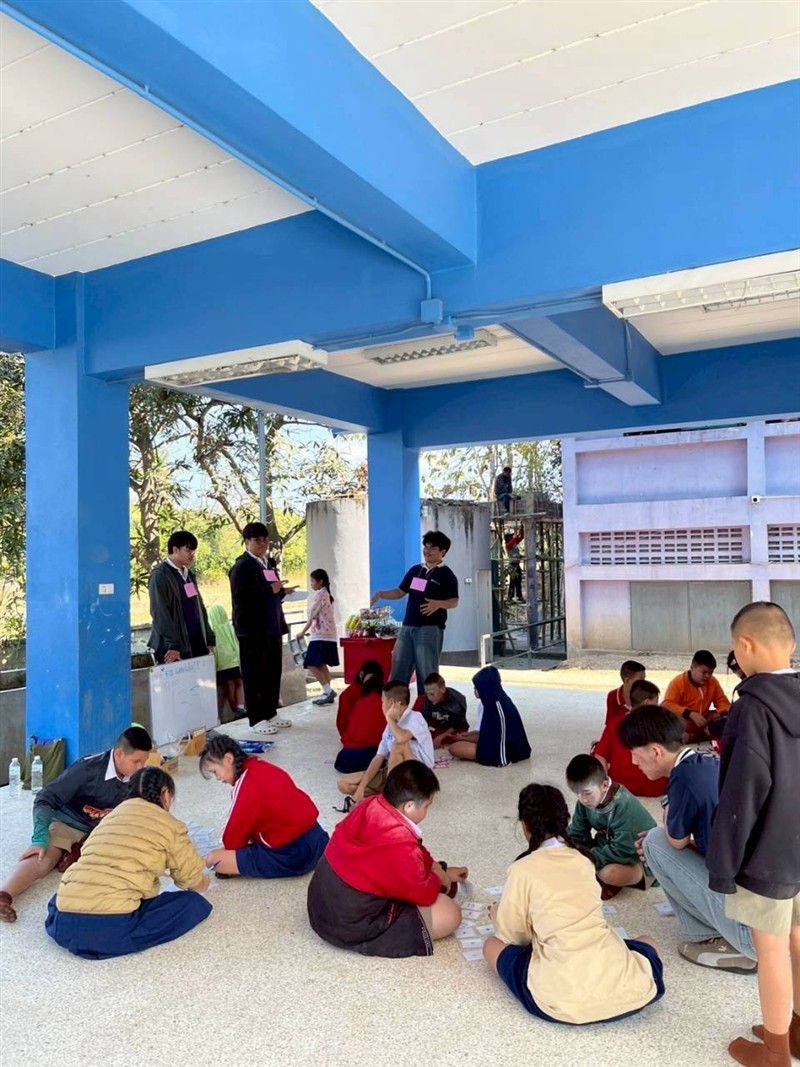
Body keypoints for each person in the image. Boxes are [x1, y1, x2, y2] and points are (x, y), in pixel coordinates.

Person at [482, 783, 665, 1025]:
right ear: (564, 820)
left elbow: (514, 936)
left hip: (563, 997)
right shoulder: (584, 859)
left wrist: (497, 913)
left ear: (525, 825)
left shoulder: (522, 869)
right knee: (647, 942)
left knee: (491, 946)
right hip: (626, 987)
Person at [705, 602, 800, 1067]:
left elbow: (742, 794)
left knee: (772, 949)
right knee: (799, 940)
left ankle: (775, 1052)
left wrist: (723, 864)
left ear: (745, 645)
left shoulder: (752, 709)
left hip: (768, 852)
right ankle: (796, 1030)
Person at [617, 705, 757, 974]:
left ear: (656, 751)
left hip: (750, 930)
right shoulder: (706, 760)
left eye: (635, 754)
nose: (634, 762)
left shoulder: (682, 777)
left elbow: (675, 841)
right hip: (770, 910)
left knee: (653, 842)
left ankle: (715, 937)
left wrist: (666, 813)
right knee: (659, 842)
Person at [44, 767, 211, 959]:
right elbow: (191, 880)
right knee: (192, 903)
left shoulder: (108, 818)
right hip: (111, 929)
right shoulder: (169, 824)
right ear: (165, 794)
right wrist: (203, 881)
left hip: (63, 925)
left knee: (71, 891)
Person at [307, 760, 464, 957]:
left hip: (320, 907)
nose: (427, 811)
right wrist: (438, 878)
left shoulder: (372, 804)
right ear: (409, 806)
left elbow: (412, 850)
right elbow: (423, 894)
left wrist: (436, 867)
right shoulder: (400, 843)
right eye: (427, 805)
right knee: (450, 914)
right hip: (348, 925)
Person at [0, 726, 153, 924]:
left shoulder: (139, 777)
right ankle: (4, 895)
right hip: (69, 823)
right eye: (136, 761)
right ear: (119, 754)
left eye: (144, 762)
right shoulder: (87, 769)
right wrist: (39, 838)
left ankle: (78, 851)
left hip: (104, 829)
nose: (141, 767)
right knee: (43, 859)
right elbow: (45, 799)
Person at [200, 735, 328, 878]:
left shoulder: (246, 784)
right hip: (319, 842)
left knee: (214, 860)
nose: (218, 778)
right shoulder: (260, 765)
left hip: (294, 857)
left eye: (215, 772)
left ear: (228, 759)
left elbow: (231, 841)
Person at [370, 530, 459, 693]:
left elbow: (454, 601)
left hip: (429, 629)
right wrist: (381, 594)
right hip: (408, 626)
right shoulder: (416, 570)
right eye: (426, 547)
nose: (427, 551)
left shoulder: (447, 575)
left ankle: (426, 706)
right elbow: (400, 591)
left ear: (443, 552)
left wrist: (438, 604)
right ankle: (395, 704)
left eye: (433, 548)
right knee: (398, 667)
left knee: (426, 672)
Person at [229, 521, 292, 734]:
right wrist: (269, 590)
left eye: (265, 539)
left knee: (272, 671)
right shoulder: (242, 567)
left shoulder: (268, 563)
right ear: (247, 541)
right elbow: (242, 598)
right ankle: (256, 718)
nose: (263, 544)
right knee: (254, 673)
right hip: (252, 630)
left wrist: (282, 591)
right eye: (257, 540)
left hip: (272, 627)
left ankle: (270, 711)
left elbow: (272, 592)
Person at [566, 754, 656, 899]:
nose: (583, 799)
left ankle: (636, 875)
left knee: (609, 874)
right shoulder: (585, 801)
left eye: (587, 793)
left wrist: (588, 857)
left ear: (604, 785)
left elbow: (623, 850)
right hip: (607, 847)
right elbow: (577, 832)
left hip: (638, 857)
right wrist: (571, 849)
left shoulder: (624, 805)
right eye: (577, 793)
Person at [336, 680, 434, 804]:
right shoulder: (390, 726)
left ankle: (389, 796)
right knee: (343, 783)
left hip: (416, 775)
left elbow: (402, 738)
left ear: (392, 703)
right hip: (392, 774)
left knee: (398, 745)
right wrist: (360, 789)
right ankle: (387, 796)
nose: (381, 705)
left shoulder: (415, 717)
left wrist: (389, 718)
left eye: (383, 702)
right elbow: (378, 757)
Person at [147, 530, 216, 664]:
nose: (192, 554)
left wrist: (208, 636)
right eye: (188, 550)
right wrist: (173, 644)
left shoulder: (188, 574)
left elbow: (199, 608)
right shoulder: (160, 575)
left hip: (195, 642)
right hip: (174, 648)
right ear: (175, 550)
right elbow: (160, 612)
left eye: (193, 550)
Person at [593, 679, 668, 797]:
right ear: (646, 703)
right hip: (655, 787)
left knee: (597, 748)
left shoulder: (614, 724)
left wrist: (604, 782)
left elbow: (600, 756)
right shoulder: (661, 725)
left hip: (620, 785)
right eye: (655, 704)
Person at [448, 665, 531, 767]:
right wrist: (465, 736)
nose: (475, 690)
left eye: (477, 688)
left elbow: (498, 742)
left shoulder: (498, 708)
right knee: (458, 746)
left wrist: (463, 738)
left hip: (504, 751)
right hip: (494, 744)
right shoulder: (491, 702)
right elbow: (486, 732)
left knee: (455, 748)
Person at [663, 649, 731, 742]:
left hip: (704, 721)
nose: (707, 676)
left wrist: (718, 714)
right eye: (704, 672)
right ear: (692, 667)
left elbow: (723, 702)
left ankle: (702, 735)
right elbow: (667, 704)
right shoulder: (678, 683)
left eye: (710, 673)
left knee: (726, 718)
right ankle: (691, 737)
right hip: (685, 723)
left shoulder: (712, 682)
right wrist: (689, 714)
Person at [297, 568, 340, 706]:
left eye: (312, 581)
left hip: (320, 635)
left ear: (320, 582)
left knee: (311, 663)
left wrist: (302, 632)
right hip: (329, 635)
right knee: (322, 665)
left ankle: (327, 690)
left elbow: (312, 615)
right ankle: (327, 692)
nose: (311, 584)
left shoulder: (320, 594)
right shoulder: (327, 594)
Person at [334, 661, 386, 773]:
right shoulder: (377, 700)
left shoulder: (357, 698)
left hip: (346, 754)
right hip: (367, 750)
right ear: (362, 674)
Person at [207, 603, 246, 723]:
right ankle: (241, 707)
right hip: (234, 661)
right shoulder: (230, 627)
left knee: (229, 686)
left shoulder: (212, 630)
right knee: (239, 683)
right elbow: (236, 643)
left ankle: (235, 711)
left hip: (222, 664)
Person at [413, 672, 468, 746]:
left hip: (450, 728)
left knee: (459, 737)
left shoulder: (457, 700)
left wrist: (441, 737)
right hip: (434, 726)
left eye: (432, 694)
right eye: (427, 694)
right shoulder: (427, 698)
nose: (429, 697)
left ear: (442, 689)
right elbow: (424, 719)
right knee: (420, 700)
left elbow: (457, 724)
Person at [604, 660, 646, 727]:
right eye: (641, 679)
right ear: (628, 680)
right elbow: (610, 723)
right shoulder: (613, 696)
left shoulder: (646, 695)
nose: (644, 683)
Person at [504, 527, 525, 602]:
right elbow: (515, 539)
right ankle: (510, 597)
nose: (512, 537)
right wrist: (516, 535)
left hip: (516, 564)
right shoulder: (508, 545)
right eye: (511, 537)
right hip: (512, 565)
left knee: (518, 581)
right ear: (508, 538)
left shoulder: (514, 544)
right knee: (513, 582)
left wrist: (522, 530)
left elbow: (520, 537)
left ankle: (519, 596)